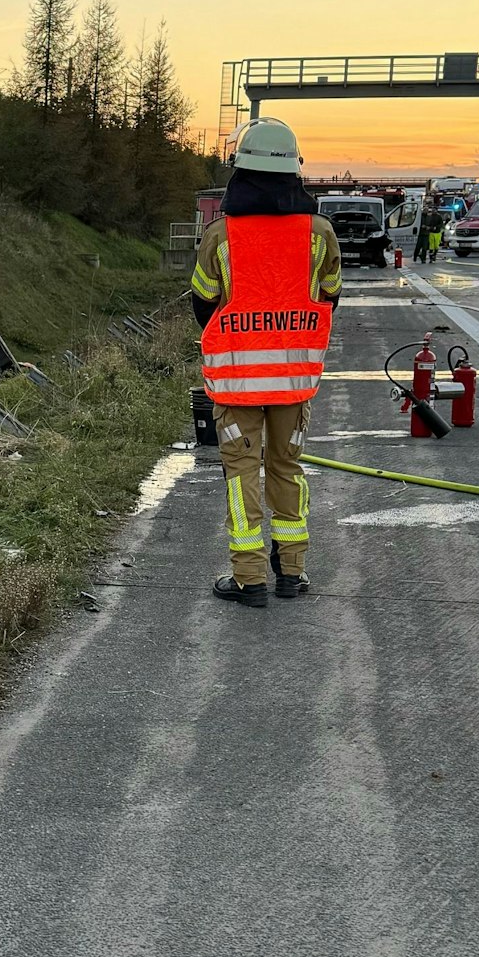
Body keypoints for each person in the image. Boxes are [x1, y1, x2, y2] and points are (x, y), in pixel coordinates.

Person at [190, 117, 342, 607]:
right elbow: (330, 297)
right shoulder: (319, 233)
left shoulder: (221, 234)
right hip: (295, 380)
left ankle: (249, 577)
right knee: (287, 467)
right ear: (295, 171)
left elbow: (202, 303)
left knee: (241, 473)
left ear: (240, 170)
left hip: (236, 382)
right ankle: (292, 573)